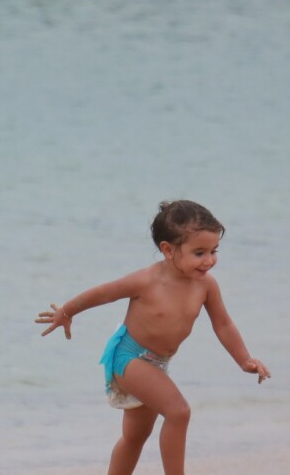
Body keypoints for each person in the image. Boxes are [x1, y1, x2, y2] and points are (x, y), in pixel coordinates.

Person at [35, 200, 270, 475]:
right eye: (199, 252)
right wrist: (66, 311)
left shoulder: (206, 285)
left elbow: (224, 324)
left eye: (213, 251)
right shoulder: (146, 281)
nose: (209, 260)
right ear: (168, 250)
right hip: (129, 357)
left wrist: (244, 359)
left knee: (134, 437)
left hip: (158, 364)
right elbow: (103, 293)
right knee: (179, 412)